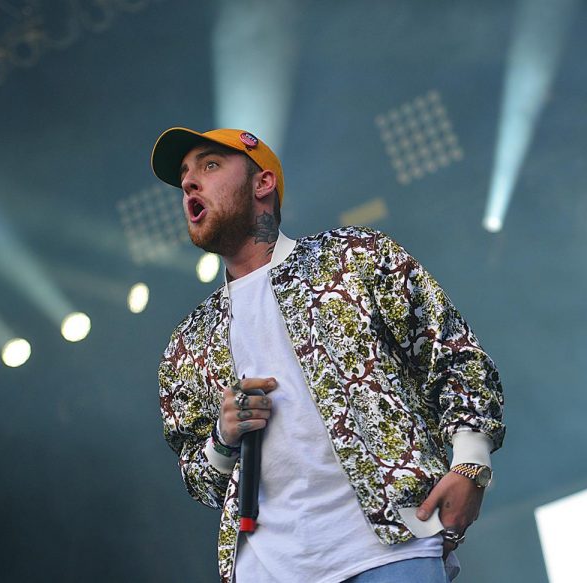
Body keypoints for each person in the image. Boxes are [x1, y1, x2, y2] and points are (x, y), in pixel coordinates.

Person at [152, 127, 505, 583]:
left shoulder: (353, 258)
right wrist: (224, 436)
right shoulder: (190, 343)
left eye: (210, 165)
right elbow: (198, 479)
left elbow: (454, 355)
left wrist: (471, 462)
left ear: (263, 184)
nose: (189, 183)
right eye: (184, 175)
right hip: (267, 569)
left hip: (389, 549)